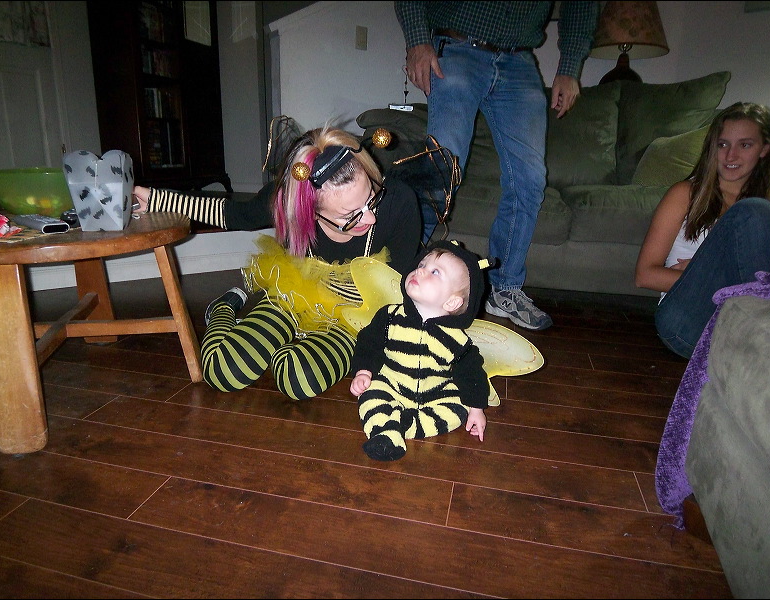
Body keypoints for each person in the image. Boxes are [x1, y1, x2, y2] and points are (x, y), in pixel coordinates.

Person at [132, 125, 422, 400]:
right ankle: (223, 309)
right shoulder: (289, 202)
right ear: (309, 212)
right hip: (295, 294)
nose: (370, 218)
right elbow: (234, 214)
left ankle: (283, 341)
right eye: (351, 216)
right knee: (224, 370)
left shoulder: (399, 202)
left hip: (352, 315)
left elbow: (393, 292)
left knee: (298, 379)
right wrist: (156, 199)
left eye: (371, 197)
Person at [395, 1, 599, 331]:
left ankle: (504, 289)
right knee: (441, 171)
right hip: (456, 48)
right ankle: (399, 272)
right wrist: (418, 39)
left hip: (519, 62)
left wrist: (570, 68)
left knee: (530, 180)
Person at [635, 102, 770, 359]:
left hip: (746, 326)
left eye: (745, 145)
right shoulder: (685, 194)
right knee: (753, 210)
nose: (730, 156)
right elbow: (644, 275)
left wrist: (707, 271)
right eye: (722, 144)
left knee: (760, 211)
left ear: (765, 149)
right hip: (686, 322)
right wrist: (701, 276)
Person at [349, 240, 491, 461]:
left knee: (456, 410)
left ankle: (399, 426)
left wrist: (476, 408)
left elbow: (471, 374)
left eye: (435, 272)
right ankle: (385, 434)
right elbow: (369, 342)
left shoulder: (457, 340)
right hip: (392, 384)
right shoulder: (390, 316)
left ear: (452, 303)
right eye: (422, 264)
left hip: (436, 393)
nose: (421, 270)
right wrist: (364, 371)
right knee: (370, 395)